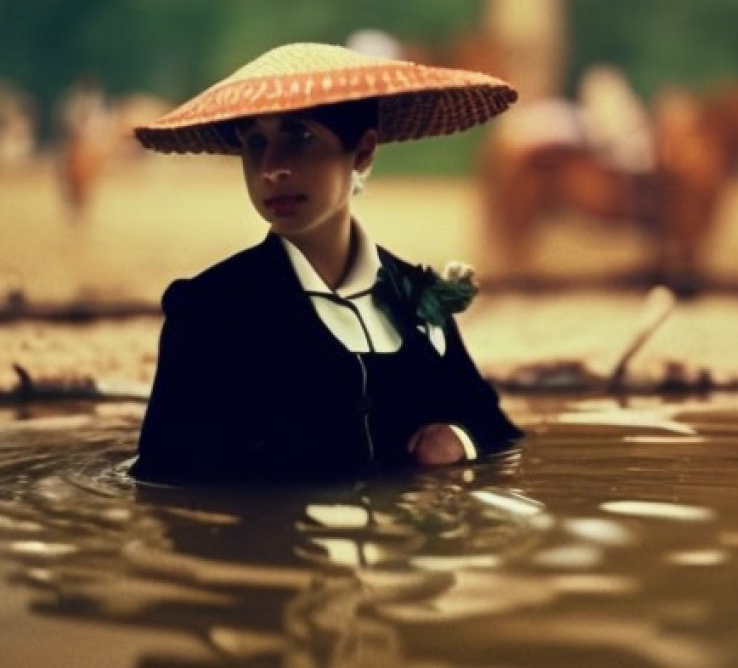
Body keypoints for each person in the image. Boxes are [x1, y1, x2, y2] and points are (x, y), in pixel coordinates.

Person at [130, 42, 523, 485]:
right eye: (255, 143)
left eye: (300, 137)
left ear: (363, 152)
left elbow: (494, 428)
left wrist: (456, 439)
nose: (271, 168)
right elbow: (162, 476)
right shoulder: (208, 310)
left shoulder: (418, 297)